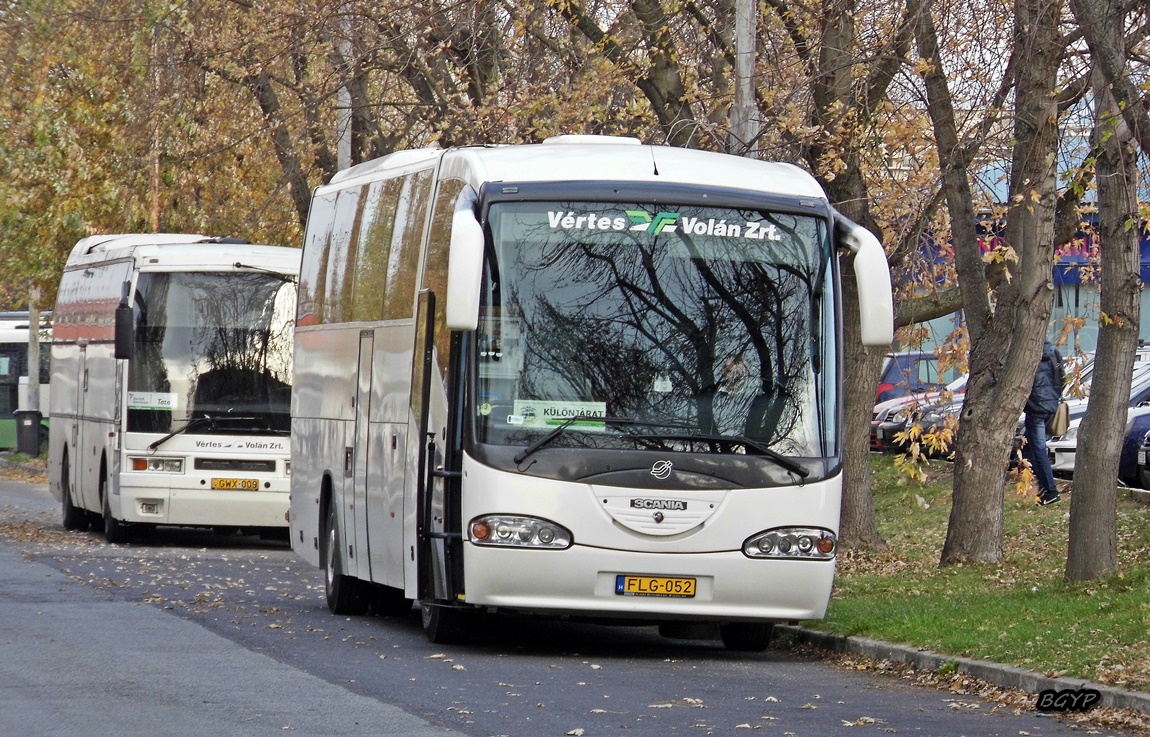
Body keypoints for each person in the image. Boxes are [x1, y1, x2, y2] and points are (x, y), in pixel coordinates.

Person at [1024, 340, 1065, 506]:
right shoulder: (1053, 351)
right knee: (1028, 446)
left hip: (1036, 407)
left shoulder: (1027, 353)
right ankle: (1043, 486)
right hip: (1050, 405)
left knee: (1039, 449)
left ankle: (1050, 491)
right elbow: (1062, 376)